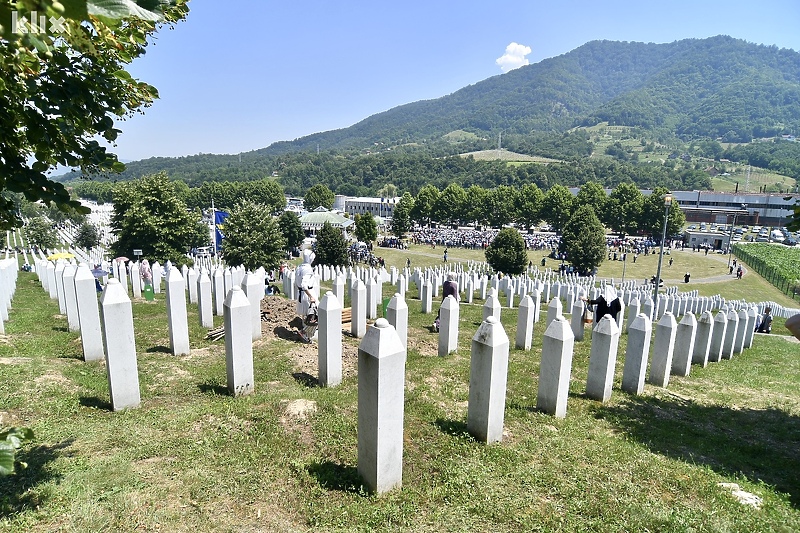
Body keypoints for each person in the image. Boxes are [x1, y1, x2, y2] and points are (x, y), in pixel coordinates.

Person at [295, 249, 318, 343]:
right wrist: (311, 296)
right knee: (315, 315)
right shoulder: (308, 269)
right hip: (308, 293)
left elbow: (296, 282)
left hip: (300, 294)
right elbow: (304, 285)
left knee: (306, 316)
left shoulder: (299, 267)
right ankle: (305, 333)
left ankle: (307, 334)